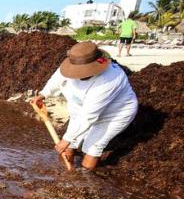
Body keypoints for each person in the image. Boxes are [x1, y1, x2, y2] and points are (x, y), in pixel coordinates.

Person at [33, 41, 138, 171]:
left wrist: (66, 139)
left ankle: (85, 179)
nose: (78, 75)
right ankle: (69, 173)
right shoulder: (73, 62)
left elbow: (89, 116)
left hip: (115, 113)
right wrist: (43, 94)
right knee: (71, 143)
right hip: (81, 109)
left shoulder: (109, 79)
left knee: (93, 145)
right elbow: (57, 79)